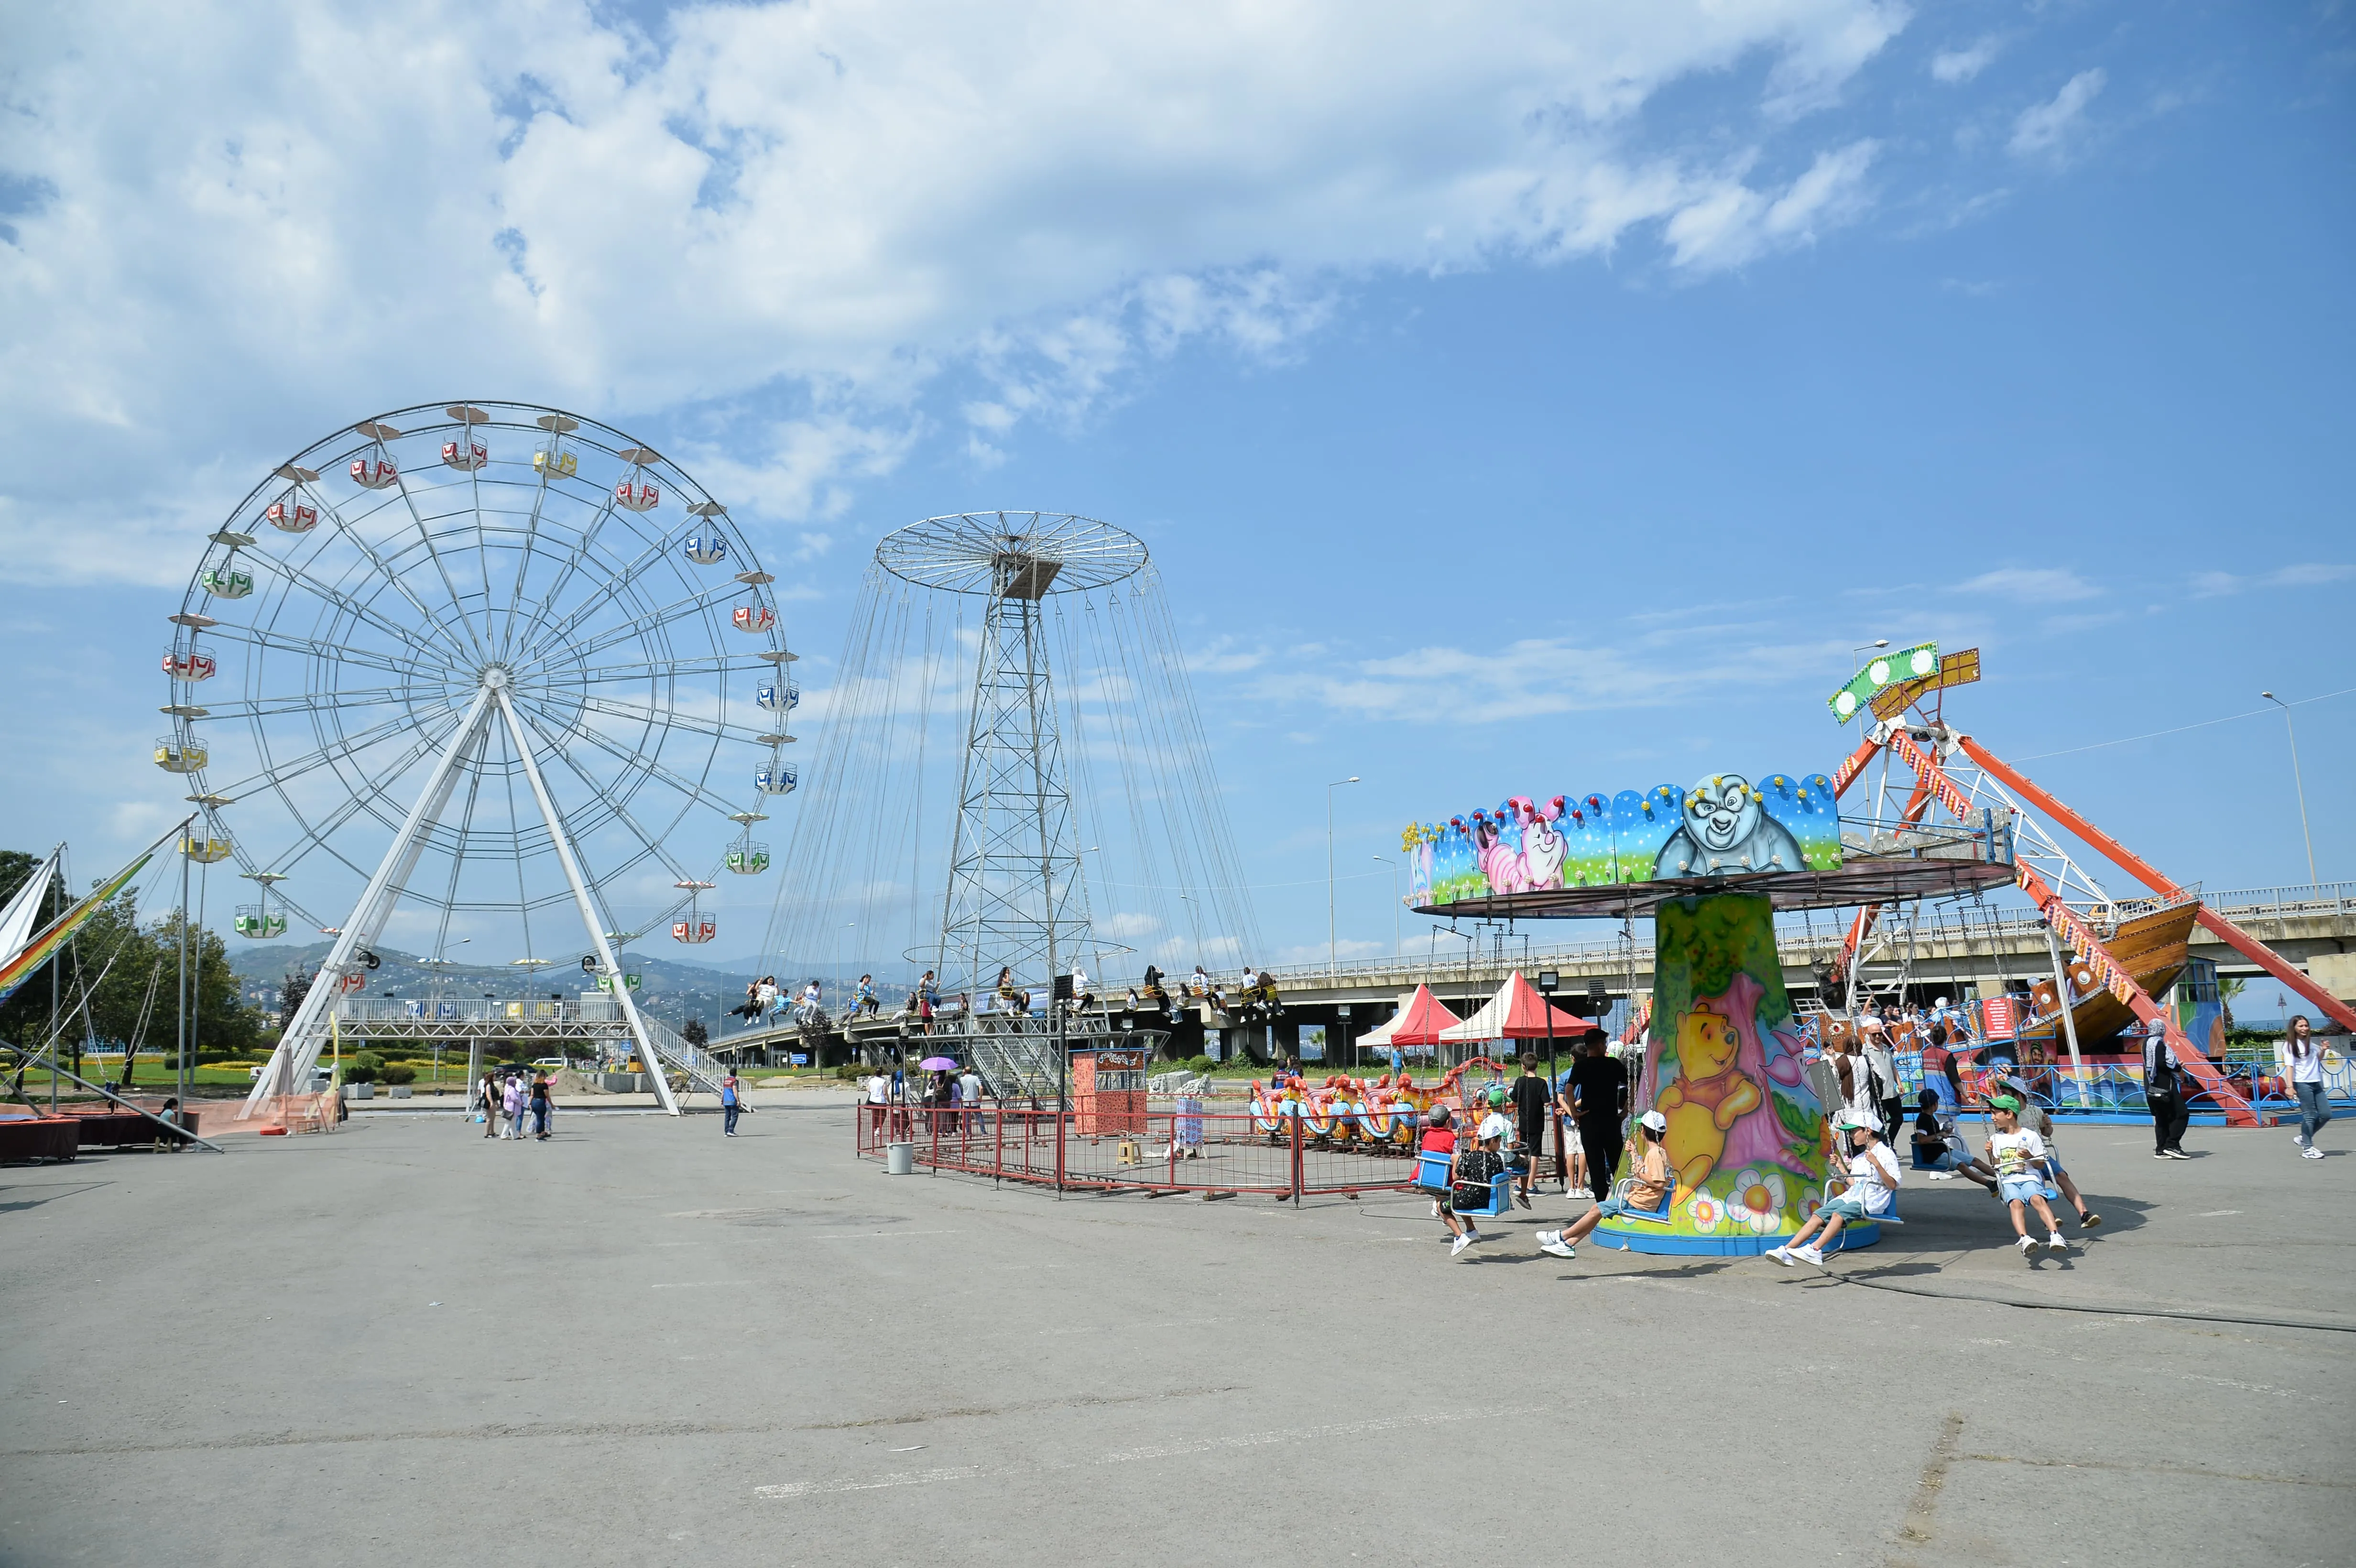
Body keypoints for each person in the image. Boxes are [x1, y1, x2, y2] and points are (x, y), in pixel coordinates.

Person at [1768, 1109, 1899, 1265]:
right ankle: (1786, 1251)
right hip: (1853, 1197)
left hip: (1870, 1201)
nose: (1851, 1136)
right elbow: (1854, 1184)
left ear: (1868, 1131)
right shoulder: (1859, 1158)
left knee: (1838, 1215)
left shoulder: (1886, 1154)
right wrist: (1841, 1168)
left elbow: (1892, 1185)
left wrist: (1877, 1164)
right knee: (1819, 1215)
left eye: (1854, 1131)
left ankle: (1815, 1250)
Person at [1535, 1109, 1669, 1259]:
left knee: (1597, 1209)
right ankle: (1567, 1245)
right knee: (1597, 1212)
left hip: (1640, 1201)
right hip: (1639, 1198)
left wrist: (1640, 1175)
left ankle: (1561, 1236)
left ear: (1643, 1130)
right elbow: (1645, 1174)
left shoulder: (1655, 1154)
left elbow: (1659, 1182)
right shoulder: (1657, 1152)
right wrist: (1633, 1153)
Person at [1983, 1095, 2067, 1255]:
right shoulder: (1996, 1139)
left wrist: (2029, 1157)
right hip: (2009, 1180)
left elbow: (2041, 1164)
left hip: (2029, 1177)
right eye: (1991, 1113)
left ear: (2009, 1114)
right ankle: (2025, 1238)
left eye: (1995, 1113)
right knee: (2016, 1203)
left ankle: (2055, 1236)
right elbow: (1996, 1166)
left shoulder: (2031, 1136)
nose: (1992, 1118)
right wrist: (1989, 1154)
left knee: (2037, 1199)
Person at [1565, 1030, 1626, 1203]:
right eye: (1605, 1044)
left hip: (1589, 1122)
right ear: (1600, 1045)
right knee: (1617, 1165)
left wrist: (1574, 1112)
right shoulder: (1613, 1064)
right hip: (1610, 1121)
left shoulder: (1581, 1066)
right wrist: (1627, 1109)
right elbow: (1633, 1081)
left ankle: (1602, 1206)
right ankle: (1623, 1202)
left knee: (1596, 1168)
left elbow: (1568, 1090)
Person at [2141, 1019, 2191, 1159]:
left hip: (2151, 1086)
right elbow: (2161, 1064)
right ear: (2162, 1030)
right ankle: (2172, 1145)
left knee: (2162, 1118)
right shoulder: (2158, 1043)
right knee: (2182, 1113)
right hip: (2164, 1086)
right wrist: (2177, 1067)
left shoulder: (2146, 1043)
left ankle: (2162, 1149)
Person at [2287, 1014, 2331, 1159]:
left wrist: (2323, 1050)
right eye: (2301, 1026)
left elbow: (2317, 1059)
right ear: (2294, 1028)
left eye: (2306, 1026)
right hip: (2302, 1083)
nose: (2305, 1028)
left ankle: (2303, 1138)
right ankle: (2308, 1148)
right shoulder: (2290, 1045)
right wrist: (2290, 1086)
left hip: (2316, 1082)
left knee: (2326, 1114)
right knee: (2310, 1115)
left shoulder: (2310, 1044)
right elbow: (2290, 1067)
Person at [1510, 1055, 1552, 1206]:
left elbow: (1514, 1100)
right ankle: (1531, 1185)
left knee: (1522, 1152)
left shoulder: (1520, 1082)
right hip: (1537, 1122)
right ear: (1537, 1065)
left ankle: (1520, 1184)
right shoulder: (1541, 1083)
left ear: (1523, 1066)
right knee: (1534, 1153)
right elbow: (1547, 1102)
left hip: (1523, 1121)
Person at [1859, 1015, 1902, 1140]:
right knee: (1880, 1123)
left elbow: (1893, 1067)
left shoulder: (1886, 1048)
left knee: (1898, 1118)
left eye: (1880, 1034)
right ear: (1869, 1035)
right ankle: (1883, 1145)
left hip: (1891, 1092)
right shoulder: (1864, 1050)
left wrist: (1899, 1084)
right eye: (1874, 1035)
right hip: (1878, 1094)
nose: (1878, 1037)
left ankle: (1889, 1141)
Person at [959, 1062, 988, 1132]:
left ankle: (968, 1132)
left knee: (967, 1118)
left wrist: (964, 1072)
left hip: (966, 1101)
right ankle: (983, 1132)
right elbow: (981, 1088)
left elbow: (963, 1075)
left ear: (965, 1072)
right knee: (979, 1116)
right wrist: (980, 1097)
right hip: (975, 1101)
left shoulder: (962, 1079)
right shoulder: (975, 1078)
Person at [529, 1073, 553, 1140]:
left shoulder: (534, 1085)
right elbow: (547, 1096)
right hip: (541, 1102)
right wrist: (552, 1104)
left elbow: (532, 1095)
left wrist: (530, 1103)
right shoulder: (544, 1085)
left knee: (539, 1118)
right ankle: (539, 1136)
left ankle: (542, 1133)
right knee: (541, 1119)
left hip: (534, 1102)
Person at [479, 1071, 500, 1138]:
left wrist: (496, 1103)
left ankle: (492, 1132)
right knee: (489, 1119)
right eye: (494, 1076)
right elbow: (488, 1094)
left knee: (493, 1118)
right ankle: (487, 1133)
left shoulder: (492, 1085)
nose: (495, 1078)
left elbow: (495, 1095)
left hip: (493, 1102)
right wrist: (491, 1103)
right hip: (488, 1103)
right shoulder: (488, 1085)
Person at [720, 1069, 741, 1136]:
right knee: (735, 1116)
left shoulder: (726, 1081)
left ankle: (726, 1132)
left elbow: (723, 1091)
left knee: (727, 1117)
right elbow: (735, 1091)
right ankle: (731, 1130)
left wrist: (722, 1100)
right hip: (732, 1101)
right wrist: (738, 1101)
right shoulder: (734, 1081)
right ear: (736, 1074)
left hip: (726, 1101)